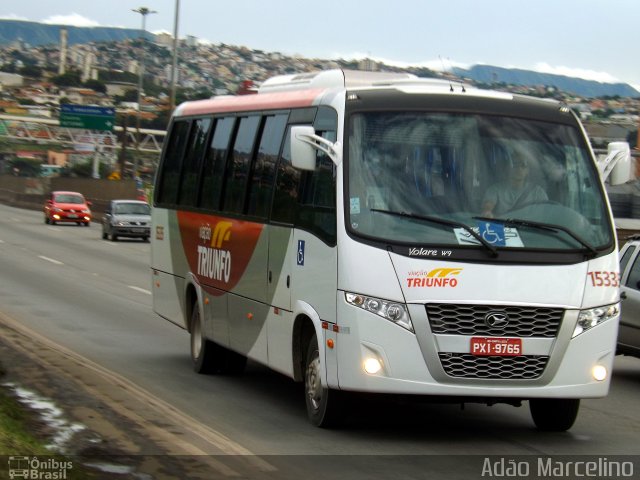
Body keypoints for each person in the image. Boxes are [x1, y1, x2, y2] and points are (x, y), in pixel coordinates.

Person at [481, 155, 547, 217]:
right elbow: (488, 205)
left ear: (528, 171)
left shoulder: (538, 192)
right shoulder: (495, 189)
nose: (519, 169)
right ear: (507, 168)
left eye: (523, 165)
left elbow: (545, 213)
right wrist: (487, 212)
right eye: (515, 164)